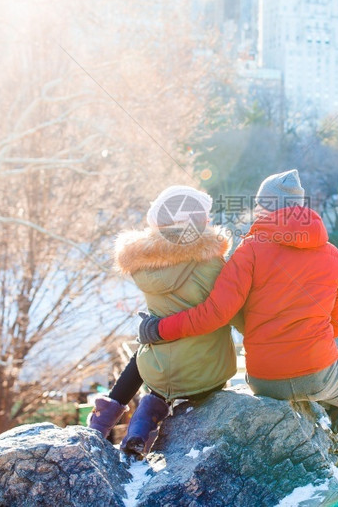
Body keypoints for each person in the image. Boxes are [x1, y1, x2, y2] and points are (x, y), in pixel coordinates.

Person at [137, 170, 338, 464]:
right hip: (319, 370)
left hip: (266, 379)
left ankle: (332, 405)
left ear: (266, 207)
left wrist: (160, 328)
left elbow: (215, 314)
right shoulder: (332, 255)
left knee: (322, 377)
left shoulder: (249, 250)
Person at [88, 186, 238, 459]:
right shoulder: (214, 263)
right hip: (207, 375)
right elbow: (231, 312)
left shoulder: (143, 265)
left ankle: (131, 423)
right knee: (177, 345)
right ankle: (143, 416)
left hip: (159, 372)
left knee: (148, 349)